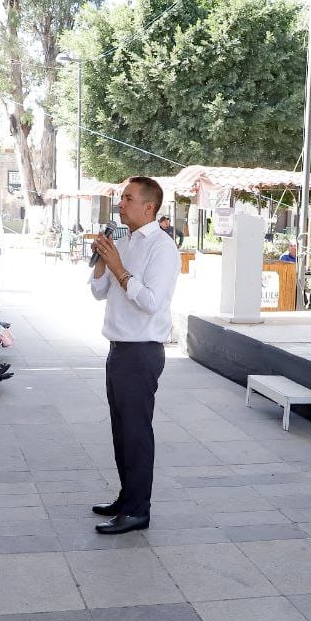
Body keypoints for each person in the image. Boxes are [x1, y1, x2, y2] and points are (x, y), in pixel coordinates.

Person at [88, 177, 180, 535]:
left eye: (127, 198)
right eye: (120, 197)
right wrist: (102, 260)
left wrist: (120, 268)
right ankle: (128, 497)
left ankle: (139, 510)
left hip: (141, 352)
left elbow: (151, 303)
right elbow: (98, 291)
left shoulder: (162, 247)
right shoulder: (123, 243)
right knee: (120, 431)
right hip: (118, 349)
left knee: (137, 432)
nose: (120, 204)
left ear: (149, 207)